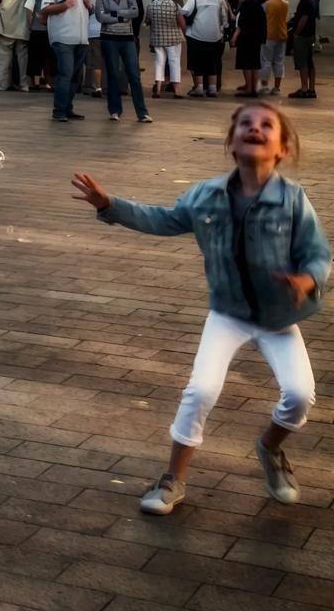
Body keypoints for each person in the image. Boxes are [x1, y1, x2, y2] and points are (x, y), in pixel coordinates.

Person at [71, 102, 329, 516]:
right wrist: (109, 205)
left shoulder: (293, 200)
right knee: (200, 390)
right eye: (246, 123)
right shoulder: (205, 196)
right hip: (227, 314)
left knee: (299, 396)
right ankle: (173, 478)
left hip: (279, 318)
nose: (255, 129)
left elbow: (318, 254)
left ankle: (270, 448)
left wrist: (306, 279)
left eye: (267, 125)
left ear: (282, 149)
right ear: (231, 141)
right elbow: (162, 219)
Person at [94, 0, 152, 123]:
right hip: (109, 38)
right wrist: (121, 16)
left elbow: (135, 12)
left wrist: (113, 14)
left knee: (134, 74)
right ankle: (114, 110)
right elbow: (100, 16)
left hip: (127, 38)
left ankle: (142, 112)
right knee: (113, 73)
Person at [41, 0, 92, 122]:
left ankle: (68, 108)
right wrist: (64, 5)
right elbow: (45, 10)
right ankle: (59, 111)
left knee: (74, 76)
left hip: (82, 39)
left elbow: (87, 11)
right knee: (66, 74)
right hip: (62, 38)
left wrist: (90, 7)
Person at [183, 0, 232, 98]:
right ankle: (212, 89)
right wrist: (224, 30)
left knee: (196, 61)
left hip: (196, 33)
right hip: (215, 34)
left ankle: (198, 88)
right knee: (212, 62)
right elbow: (224, 15)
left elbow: (187, 11)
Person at [148, 0, 186, 98]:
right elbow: (182, 23)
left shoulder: (152, 4)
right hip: (173, 39)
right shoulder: (175, 6)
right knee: (174, 62)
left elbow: (148, 20)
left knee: (159, 63)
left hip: (158, 38)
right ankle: (176, 91)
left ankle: (158, 89)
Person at [232, 0, 266, 96]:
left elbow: (242, 24)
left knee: (246, 63)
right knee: (255, 63)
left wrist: (234, 37)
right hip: (256, 38)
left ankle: (249, 88)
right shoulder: (258, 5)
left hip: (246, 38)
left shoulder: (245, 5)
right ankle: (254, 88)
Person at [25, 0, 56, 92]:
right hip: (52, 30)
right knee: (50, 58)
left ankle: (35, 83)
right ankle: (49, 83)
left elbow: (29, 10)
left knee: (35, 56)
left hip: (37, 29)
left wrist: (29, 25)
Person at [84, 0, 108, 99]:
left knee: (96, 60)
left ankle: (97, 87)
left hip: (93, 30)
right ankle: (110, 85)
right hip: (111, 30)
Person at [289, 0, 317, 99]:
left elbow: (303, 19)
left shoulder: (304, 3)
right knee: (309, 62)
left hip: (303, 36)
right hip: (310, 35)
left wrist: (296, 33)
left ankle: (304, 88)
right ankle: (311, 88)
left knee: (302, 63)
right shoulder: (312, 0)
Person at [261, 0, 288, 96]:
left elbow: (261, 19)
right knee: (279, 61)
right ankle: (277, 88)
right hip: (282, 34)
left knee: (266, 61)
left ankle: (264, 86)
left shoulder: (266, 4)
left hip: (268, 35)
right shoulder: (286, 4)